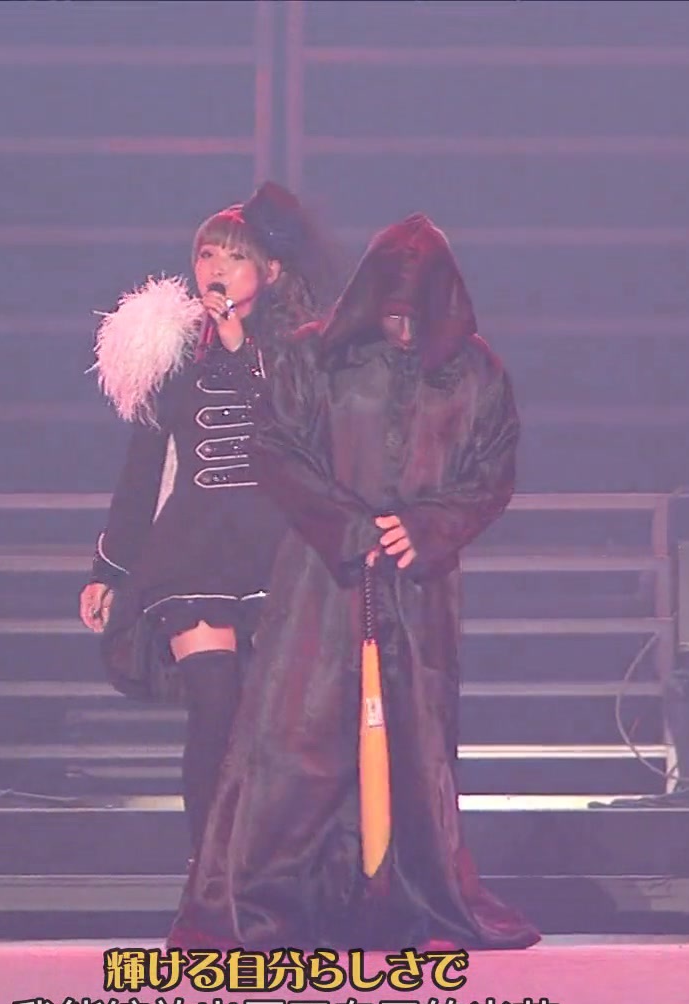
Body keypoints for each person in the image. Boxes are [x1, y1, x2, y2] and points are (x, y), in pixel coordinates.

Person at [169, 213, 541, 952]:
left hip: (418, 584)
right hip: (321, 576)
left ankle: (402, 898)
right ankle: (275, 900)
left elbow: (492, 472)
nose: (402, 327)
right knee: (297, 740)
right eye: (391, 311)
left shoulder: (475, 372)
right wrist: (349, 528)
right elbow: (277, 449)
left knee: (413, 743)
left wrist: (427, 527)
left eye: (415, 312)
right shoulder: (318, 356)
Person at [79, 181, 335, 859]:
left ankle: (269, 865)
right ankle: (207, 869)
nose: (216, 268)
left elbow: (303, 430)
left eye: (234, 256)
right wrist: (108, 567)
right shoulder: (170, 352)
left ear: (269, 271)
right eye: (206, 255)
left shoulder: (298, 352)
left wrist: (240, 344)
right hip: (192, 552)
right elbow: (142, 470)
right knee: (214, 705)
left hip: (275, 552)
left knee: (272, 721)